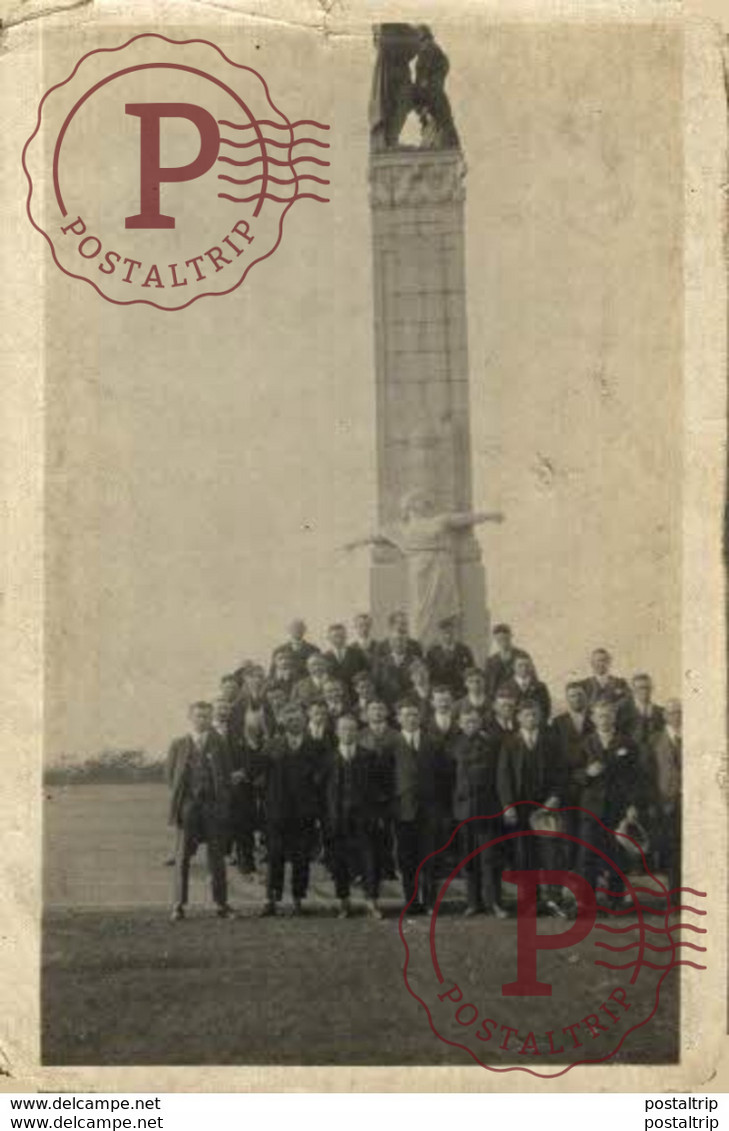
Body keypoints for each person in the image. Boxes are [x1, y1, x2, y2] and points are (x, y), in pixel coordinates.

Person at [344, 491, 503, 646]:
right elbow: (375, 535)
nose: (427, 504)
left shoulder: (439, 520)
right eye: (422, 501)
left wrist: (489, 516)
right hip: (420, 569)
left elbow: (464, 519)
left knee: (444, 610)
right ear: (411, 506)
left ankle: (443, 646)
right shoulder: (400, 529)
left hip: (442, 567)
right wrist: (353, 544)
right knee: (421, 610)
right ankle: (421, 645)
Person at [166, 701, 234, 921]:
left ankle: (221, 904)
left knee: (216, 857)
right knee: (182, 856)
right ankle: (178, 904)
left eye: (206, 716)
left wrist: (221, 803)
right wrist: (184, 802)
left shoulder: (219, 743)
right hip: (188, 808)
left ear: (211, 718)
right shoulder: (179, 744)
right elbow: (170, 777)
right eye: (198, 716)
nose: (202, 720)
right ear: (190, 717)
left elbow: (227, 773)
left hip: (213, 807)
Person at [497, 700, 566, 916]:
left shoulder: (551, 742)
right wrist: (508, 805)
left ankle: (554, 900)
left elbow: (560, 773)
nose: (530, 718)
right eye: (526, 714)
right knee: (523, 855)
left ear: (540, 717)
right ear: (518, 718)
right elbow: (503, 776)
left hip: (545, 808)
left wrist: (555, 797)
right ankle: (529, 901)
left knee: (550, 854)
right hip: (519, 807)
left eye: (534, 714)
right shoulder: (509, 743)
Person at [322, 715, 390, 919]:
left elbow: (381, 787)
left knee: (370, 860)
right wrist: (326, 815)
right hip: (338, 818)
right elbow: (321, 789)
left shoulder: (369, 756)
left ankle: (372, 901)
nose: (348, 733)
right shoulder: (328, 758)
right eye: (343, 729)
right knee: (340, 861)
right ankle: (344, 902)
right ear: (337, 732)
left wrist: (377, 814)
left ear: (357, 733)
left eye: (352, 729)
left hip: (364, 818)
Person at [576, 700, 641, 902]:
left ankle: (615, 900)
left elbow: (635, 777)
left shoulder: (627, 743)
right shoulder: (585, 743)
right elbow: (572, 774)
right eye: (600, 715)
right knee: (587, 854)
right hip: (591, 808)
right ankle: (586, 900)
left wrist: (632, 805)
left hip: (617, 807)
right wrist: (587, 773)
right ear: (593, 718)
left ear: (615, 717)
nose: (604, 719)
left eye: (608, 715)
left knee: (616, 854)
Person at [393, 698, 452, 914]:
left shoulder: (433, 743)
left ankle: (430, 901)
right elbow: (384, 778)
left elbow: (445, 777)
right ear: (398, 718)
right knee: (407, 859)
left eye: (415, 714)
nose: (411, 718)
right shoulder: (393, 744)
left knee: (430, 857)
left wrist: (441, 808)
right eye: (406, 714)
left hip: (430, 810)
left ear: (420, 718)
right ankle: (411, 901)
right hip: (404, 811)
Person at [261, 703, 321, 916]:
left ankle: (298, 901)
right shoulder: (270, 746)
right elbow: (262, 780)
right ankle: (271, 900)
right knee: (274, 856)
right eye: (289, 719)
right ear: (282, 722)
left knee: (301, 858)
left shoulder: (316, 746)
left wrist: (316, 812)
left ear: (304, 721)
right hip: (277, 812)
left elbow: (320, 782)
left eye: (297, 719)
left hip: (304, 813)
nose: (293, 722)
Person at [451, 704, 507, 918]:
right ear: (459, 724)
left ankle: (495, 903)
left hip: (487, 809)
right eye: (466, 721)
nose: (470, 725)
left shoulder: (491, 743)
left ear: (480, 722)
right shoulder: (453, 745)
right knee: (468, 858)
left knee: (490, 858)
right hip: (463, 810)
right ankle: (473, 903)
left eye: (474, 721)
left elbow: (494, 774)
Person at [550, 682, 594, 863]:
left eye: (580, 695)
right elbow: (554, 755)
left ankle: (587, 868)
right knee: (568, 828)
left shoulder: (594, 720)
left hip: (590, 782)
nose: (577, 699)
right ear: (567, 699)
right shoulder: (558, 722)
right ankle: (569, 867)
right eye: (573, 696)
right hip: (567, 782)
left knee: (588, 829)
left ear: (586, 697)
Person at [359, 699, 400, 879]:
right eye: (373, 709)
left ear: (387, 713)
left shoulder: (396, 735)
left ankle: (390, 869)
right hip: (366, 793)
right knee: (367, 833)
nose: (377, 712)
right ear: (366, 714)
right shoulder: (360, 735)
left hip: (390, 791)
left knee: (389, 833)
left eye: (380, 708)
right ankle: (367, 871)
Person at [646, 698, 682, 894]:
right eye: (672, 712)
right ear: (665, 716)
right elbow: (649, 774)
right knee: (670, 849)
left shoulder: (694, 736)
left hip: (690, 803)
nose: (676, 716)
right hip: (666, 801)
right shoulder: (655, 739)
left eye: (679, 712)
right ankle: (674, 896)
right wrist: (654, 801)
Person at [374, 617, 421, 707]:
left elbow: (419, 686)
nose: (399, 644)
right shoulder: (381, 663)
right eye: (395, 641)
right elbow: (377, 685)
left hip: (409, 704)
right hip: (387, 704)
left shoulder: (415, 662)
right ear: (390, 643)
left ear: (407, 644)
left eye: (402, 641)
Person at [425, 616, 474, 698]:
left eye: (450, 633)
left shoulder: (464, 650)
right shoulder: (432, 653)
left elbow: (471, 672)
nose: (448, 636)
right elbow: (431, 676)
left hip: (461, 692)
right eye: (444, 633)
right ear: (439, 635)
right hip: (441, 693)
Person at [483, 623, 531, 701]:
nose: (503, 642)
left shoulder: (521, 655)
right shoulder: (491, 661)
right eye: (499, 640)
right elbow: (487, 684)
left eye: (505, 639)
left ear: (510, 637)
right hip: (498, 698)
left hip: (518, 696)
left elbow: (531, 676)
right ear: (495, 640)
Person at [617, 673, 665, 747]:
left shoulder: (660, 711)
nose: (645, 691)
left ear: (652, 689)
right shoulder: (623, 709)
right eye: (641, 688)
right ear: (633, 689)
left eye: (647, 687)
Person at [499, 655, 551, 721]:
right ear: (513, 667)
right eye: (520, 665)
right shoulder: (505, 688)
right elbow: (503, 711)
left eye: (527, 665)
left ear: (531, 667)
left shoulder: (540, 687)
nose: (524, 668)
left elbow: (546, 710)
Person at [322, 622, 366, 691]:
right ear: (329, 638)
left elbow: (364, 672)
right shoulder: (324, 657)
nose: (339, 639)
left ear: (346, 636)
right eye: (335, 636)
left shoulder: (357, 653)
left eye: (342, 636)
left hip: (354, 693)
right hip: (335, 695)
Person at [408, 658, 434, 724]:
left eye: (423, 672)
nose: (420, 677)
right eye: (416, 674)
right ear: (411, 677)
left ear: (428, 673)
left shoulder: (437, 692)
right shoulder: (407, 696)